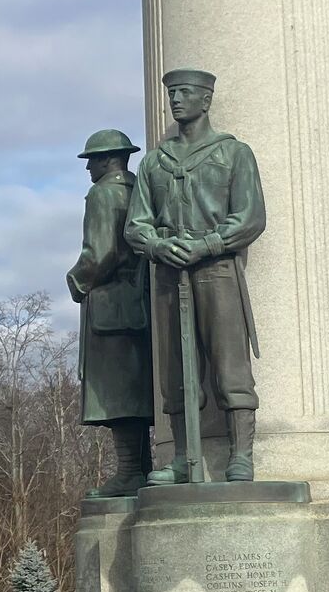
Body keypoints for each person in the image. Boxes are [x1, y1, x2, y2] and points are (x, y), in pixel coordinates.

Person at [124, 68, 267, 482]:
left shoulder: (233, 153)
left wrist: (210, 244)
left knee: (230, 364)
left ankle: (241, 455)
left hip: (217, 271)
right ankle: (183, 459)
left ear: (206, 100)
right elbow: (136, 224)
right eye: (172, 93)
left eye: (184, 92)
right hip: (169, 276)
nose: (175, 100)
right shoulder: (155, 162)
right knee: (175, 372)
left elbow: (250, 217)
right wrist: (158, 246)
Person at [67, 129, 152, 496]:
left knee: (119, 393)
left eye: (92, 161)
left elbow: (101, 252)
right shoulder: (139, 191)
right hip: (138, 303)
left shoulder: (104, 193)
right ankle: (140, 469)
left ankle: (131, 471)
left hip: (111, 305)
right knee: (135, 389)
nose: (88, 169)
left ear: (107, 160)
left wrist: (77, 279)